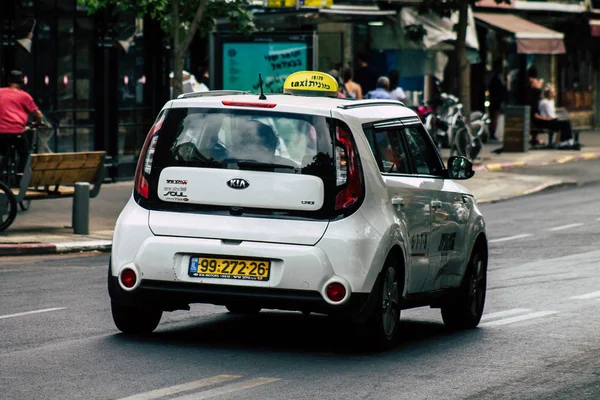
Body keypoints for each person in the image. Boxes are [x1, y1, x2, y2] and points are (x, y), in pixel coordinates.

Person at [0, 70, 45, 174]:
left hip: (0, 131)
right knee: (24, 154)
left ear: (8, 81)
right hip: (16, 131)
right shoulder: (24, 96)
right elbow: (38, 114)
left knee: (2, 152)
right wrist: (39, 122)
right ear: (22, 82)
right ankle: (19, 178)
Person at [534, 84, 577, 148]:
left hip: (551, 120)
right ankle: (567, 141)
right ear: (548, 93)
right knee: (565, 123)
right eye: (552, 92)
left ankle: (565, 141)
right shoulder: (544, 102)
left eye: (554, 92)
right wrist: (556, 118)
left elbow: (552, 114)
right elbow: (550, 115)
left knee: (565, 123)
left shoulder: (551, 101)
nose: (554, 94)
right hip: (546, 121)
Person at [488, 59, 507, 141]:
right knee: (494, 117)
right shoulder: (496, 78)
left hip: (497, 100)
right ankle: (492, 133)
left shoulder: (499, 77)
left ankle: (493, 133)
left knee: (495, 117)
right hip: (495, 101)